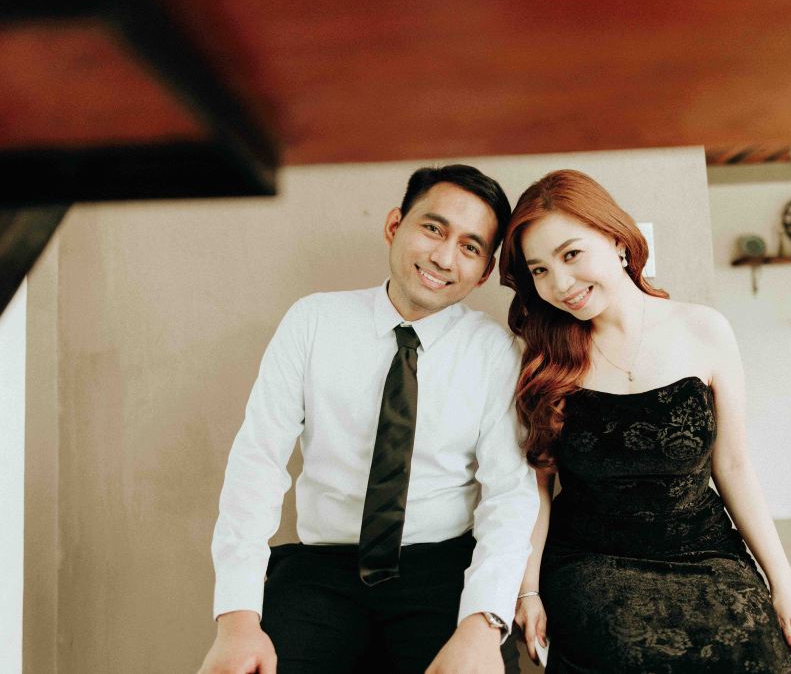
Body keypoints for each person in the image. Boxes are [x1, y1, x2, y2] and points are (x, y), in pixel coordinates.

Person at [198, 164, 539, 674]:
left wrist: (482, 625)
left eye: (470, 247)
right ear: (394, 225)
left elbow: (509, 495)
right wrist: (236, 619)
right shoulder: (313, 322)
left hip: (442, 569)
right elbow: (257, 465)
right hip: (323, 569)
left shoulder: (495, 351)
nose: (444, 257)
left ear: (484, 271)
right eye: (434, 228)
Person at [500, 170, 791, 673]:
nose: (559, 284)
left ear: (617, 241)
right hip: (591, 562)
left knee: (754, 653)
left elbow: (734, 467)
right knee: (631, 653)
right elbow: (537, 486)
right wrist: (528, 591)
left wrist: (786, 586)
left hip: (705, 551)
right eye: (539, 270)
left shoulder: (705, 329)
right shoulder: (544, 356)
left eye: (571, 254)